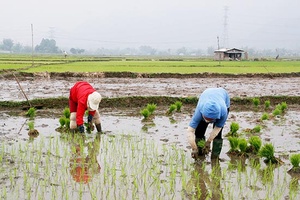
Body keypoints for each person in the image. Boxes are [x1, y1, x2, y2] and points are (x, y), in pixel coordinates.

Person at [187, 87, 230, 159]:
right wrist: (194, 148)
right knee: (199, 132)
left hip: (222, 96)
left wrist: (209, 141)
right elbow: (190, 130)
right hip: (206, 94)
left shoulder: (223, 112)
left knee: (218, 135)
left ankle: (215, 157)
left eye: (210, 120)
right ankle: (200, 154)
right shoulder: (199, 110)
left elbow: (218, 127)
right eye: (206, 119)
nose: (208, 122)